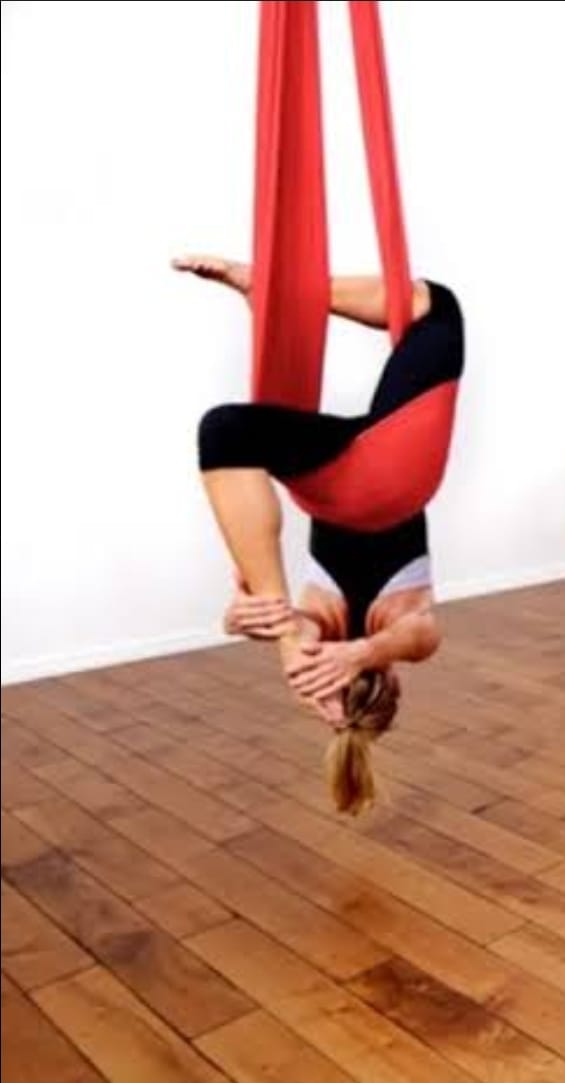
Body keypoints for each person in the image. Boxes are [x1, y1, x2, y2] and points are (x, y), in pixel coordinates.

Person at [176, 254, 459, 814]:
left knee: (436, 307)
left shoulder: (335, 629)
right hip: (350, 472)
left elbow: (420, 640)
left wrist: (255, 619)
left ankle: (276, 290)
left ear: (395, 687)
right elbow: (422, 637)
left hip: (380, 477)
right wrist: (348, 653)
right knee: (226, 432)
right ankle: (277, 291)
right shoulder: (378, 630)